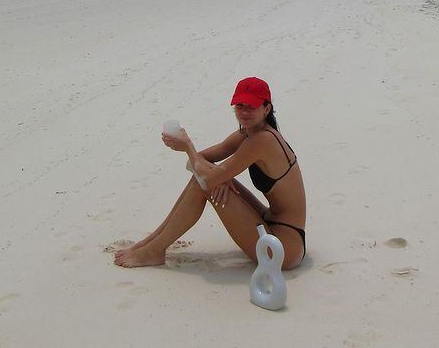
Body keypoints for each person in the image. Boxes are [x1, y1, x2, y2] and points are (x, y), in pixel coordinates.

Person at [114, 77, 307, 270]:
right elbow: (199, 162)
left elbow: (204, 174)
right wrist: (218, 174)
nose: (244, 112)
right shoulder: (248, 133)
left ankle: (154, 249)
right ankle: (150, 243)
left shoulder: (263, 140)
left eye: (252, 106)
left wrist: (189, 147)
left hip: (283, 248)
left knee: (205, 183)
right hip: (270, 223)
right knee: (207, 180)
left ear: (267, 109)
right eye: (240, 106)